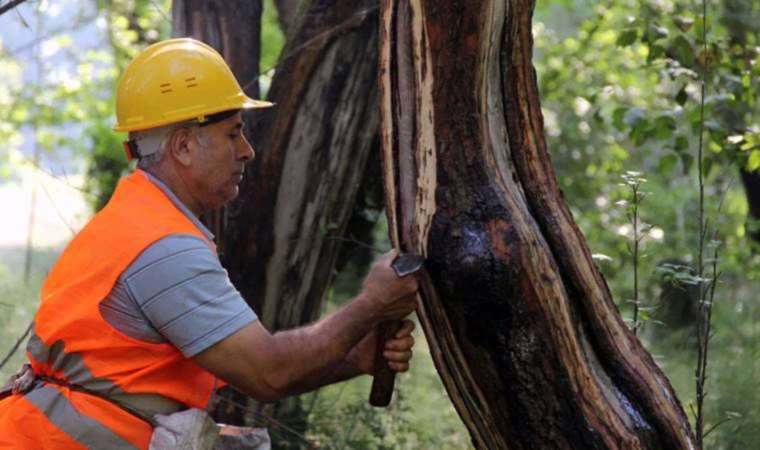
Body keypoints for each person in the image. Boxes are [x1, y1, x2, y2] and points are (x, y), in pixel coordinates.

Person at [0, 38, 418, 449]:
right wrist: (372, 304)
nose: (247, 151)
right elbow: (268, 373)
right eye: (233, 134)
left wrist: (353, 357)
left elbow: (242, 366)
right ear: (183, 145)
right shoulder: (164, 249)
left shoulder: (132, 222)